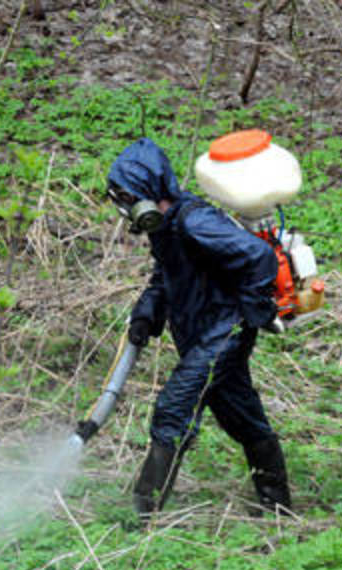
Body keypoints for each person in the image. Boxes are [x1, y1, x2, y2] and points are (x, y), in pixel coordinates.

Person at [107, 137, 291, 518]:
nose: (124, 208)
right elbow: (167, 276)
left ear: (148, 190)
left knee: (172, 412)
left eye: (127, 197)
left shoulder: (195, 222)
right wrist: (147, 314)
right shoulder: (167, 227)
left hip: (222, 334)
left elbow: (258, 257)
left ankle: (142, 515)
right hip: (202, 335)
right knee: (241, 416)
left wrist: (253, 313)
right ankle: (279, 508)